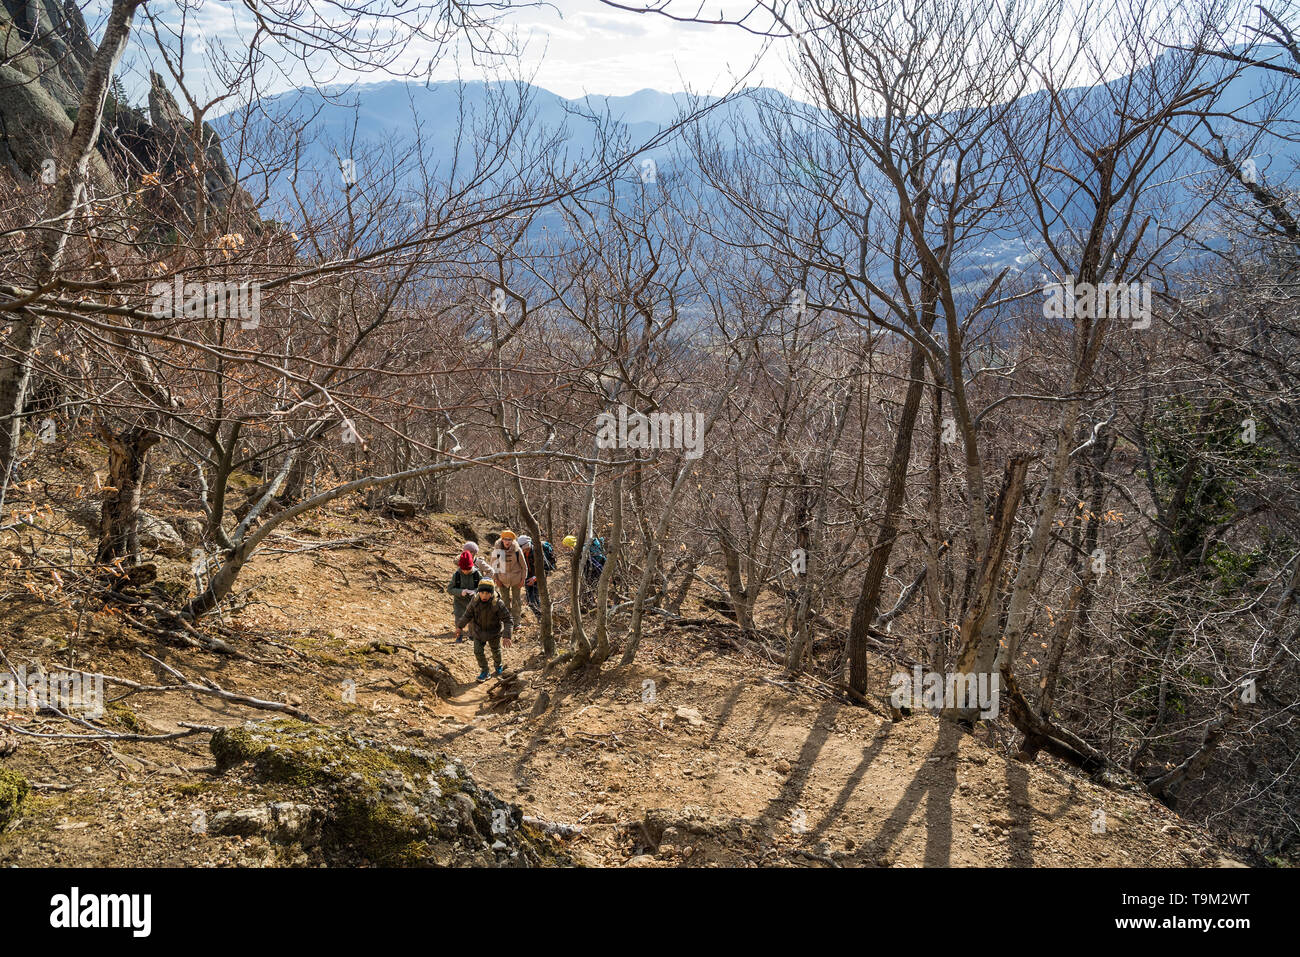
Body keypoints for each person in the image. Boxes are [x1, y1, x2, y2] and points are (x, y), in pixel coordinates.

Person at [457, 579, 513, 681]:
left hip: (494, 632)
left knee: (496, 650)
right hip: (478, 631)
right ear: (479, 592)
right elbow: (467, 615)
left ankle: (498, 666)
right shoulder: (475, 601)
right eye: (482, 593)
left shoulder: (497, 603)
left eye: (487, 593)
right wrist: (460, 626)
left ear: (491, 593)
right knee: (477, 651)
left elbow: (508, 620)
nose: (484, 596)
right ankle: (485, 671)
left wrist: (507, 636)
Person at [490, 529, 527, 623]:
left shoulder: (517, 550)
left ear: (512, 541)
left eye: (509, 539)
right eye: (505, 539)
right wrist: (496, 579)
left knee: (516, 601)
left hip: (516, 579)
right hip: (502, 579)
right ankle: (506, 621)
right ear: (502, 539)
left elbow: (524, 566)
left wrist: (523, 579)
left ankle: (516, 621)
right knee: (504, 601)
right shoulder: (497, 550)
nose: (507, 542)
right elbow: (493, 566)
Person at [446, 545, 482, 642]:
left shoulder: (476, 574)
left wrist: (475, 591)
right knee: (459, 619)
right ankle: (459, 635)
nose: (466, 571)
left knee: (473, 618)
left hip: (473, 601)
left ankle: (472, 635)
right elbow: (449, 589)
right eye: (464, 569)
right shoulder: (457, 575)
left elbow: (483, 587)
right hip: (459, 602)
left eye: (468, 569)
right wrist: (460, 592)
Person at [518, 535, 555, 616]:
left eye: (525, 549)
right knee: (530, 600)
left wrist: (534, 578)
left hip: (539, 577)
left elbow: (546, 567)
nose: (524, 551)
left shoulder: (538, 551)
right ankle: (539, 616)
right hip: (527, 576)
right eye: (522, 550)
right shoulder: (520, 553)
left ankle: (543, 617)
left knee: (537, 597)